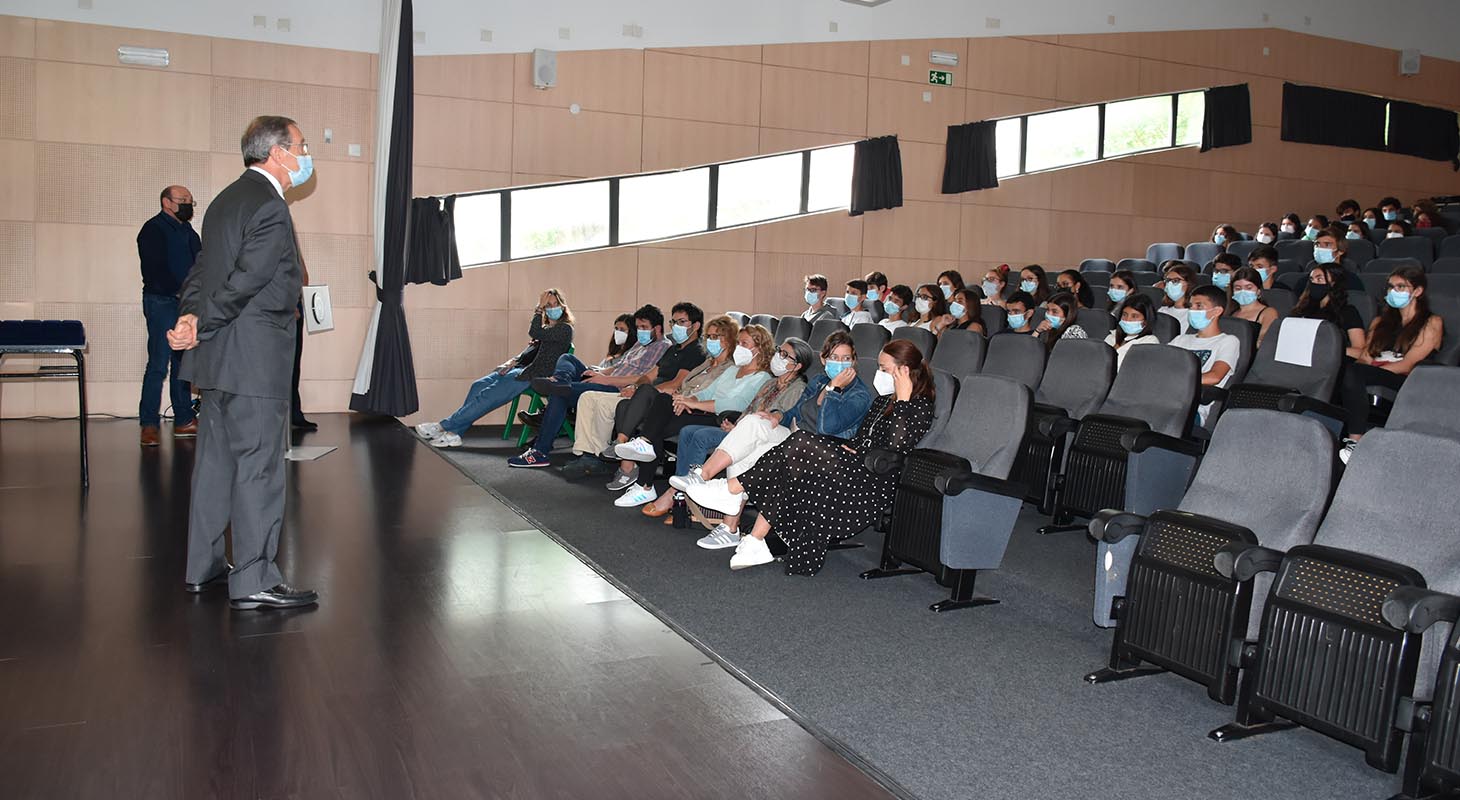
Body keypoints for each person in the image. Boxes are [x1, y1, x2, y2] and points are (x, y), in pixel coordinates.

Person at [167, 115, 317, 610]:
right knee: (258, 467)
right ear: (277, 152)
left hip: (218, 363)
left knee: (215, 466)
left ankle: (203, 568)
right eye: (301, 146)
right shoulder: (270, 207)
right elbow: (244, 283)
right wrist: (202, 321)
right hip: (253, 361)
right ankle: (254, 579)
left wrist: (190, 318)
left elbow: (203, 272)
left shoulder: (225, 201)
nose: (305, 154)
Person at [685, 340, 935, 574]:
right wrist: (852, 447)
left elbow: (896, 448)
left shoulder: (919, 404)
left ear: (903, 371)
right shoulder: (883, 401)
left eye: (883, 368)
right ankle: (754, 541)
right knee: (794, 454)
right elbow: (862, 438)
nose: (878, 374)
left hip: (874, 480)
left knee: (801, 441)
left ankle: (732, 490)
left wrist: (903, 399)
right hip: (856, 461)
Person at [673, 332, 873, 550]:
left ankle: (729, 517)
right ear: (824, 360)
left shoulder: (859, 395)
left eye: (846, 358)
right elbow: (797, 410)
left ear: (854, 361)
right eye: (834, 357)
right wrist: (778, 415)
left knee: (756, 449)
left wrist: (833, 389)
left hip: (818, 451)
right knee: (753, 421)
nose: (840, 363)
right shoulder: (818, 381)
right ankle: (705, 479)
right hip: (795, 438)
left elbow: (826, 428)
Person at [639, 336, 816, 521]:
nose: (779, 356)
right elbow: (749, 409)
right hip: (741, 428)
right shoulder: (770, 383)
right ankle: (680, 496)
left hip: (761, 437)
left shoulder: (797, 389)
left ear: (797, 366)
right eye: (780, 351)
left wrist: (739, 428)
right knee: (688, 431)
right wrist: (735, 424)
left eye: (786, 355)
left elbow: (777, 421)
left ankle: (685, 497)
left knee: (701, 436)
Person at [608, 325, 776, 508]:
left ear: (759, 348)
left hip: (719, 419)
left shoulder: (762, 378)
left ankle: (645, 484)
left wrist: (693, 404)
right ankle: (645, 469)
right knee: (663, 405)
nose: (739, 347)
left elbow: (736, 404)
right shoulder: (732, 370)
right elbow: (707, 392)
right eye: (738, 343)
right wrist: (686, 400)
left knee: (655, 425)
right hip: (699, 410)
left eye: (745, 343)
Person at [576, 315, 738, 484]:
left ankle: (630, 460)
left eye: (715, 337)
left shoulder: (730, 368)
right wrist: (679, 395)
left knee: (651, 409)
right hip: (679, 401)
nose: (710, 341)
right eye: (708, 337)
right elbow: (683, 384)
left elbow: (710, 395)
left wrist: (685, 399)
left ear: (729, 340)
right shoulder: (706, 363)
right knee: (626, 405)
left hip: (694, 409)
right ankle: (628, 467)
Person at [508, 305, 675, 468]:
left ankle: (540, 451)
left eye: (644, 327)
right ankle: (560, 381)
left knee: (560, 395)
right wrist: (598, 372)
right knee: (568, 359)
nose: (640, 332)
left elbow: (643, 378)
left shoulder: (663, 347)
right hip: (607, 379)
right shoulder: (641, 343)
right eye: (638, 327)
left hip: (617, 389)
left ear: (658, 328)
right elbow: (619, 366)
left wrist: (605, 380)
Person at [414, 289, 574, 448]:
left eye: (555, 304)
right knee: (478, 385)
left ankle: (442, 426)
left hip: (534, 376)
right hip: (520, 368)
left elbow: (534, 331)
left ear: (562, 306)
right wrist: (512, 362)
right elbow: (530, 352)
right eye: (548, 305)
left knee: (487, 396)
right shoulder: (546, 329)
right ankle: (455, 434)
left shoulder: (565, 329)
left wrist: (538, 308)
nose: (553, 308)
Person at [1338, 266, 1443, 458]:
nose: (1394, 291)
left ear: (1418, 291)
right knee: (1344, 369)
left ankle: (1355, 441)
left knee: (1353, 373)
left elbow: (1408, 364)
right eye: (1391, 287)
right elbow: (1365, 356)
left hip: (1405, 379)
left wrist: (1367, 371)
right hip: (1372, 372)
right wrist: (1361, 369)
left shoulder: (1431, 322)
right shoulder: (1380, 322)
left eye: (1401, 287)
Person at [137, 184, 201, 446]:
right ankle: (149, 424)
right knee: (158, 363)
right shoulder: (152, 229)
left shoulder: (189, 232)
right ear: (167, 202)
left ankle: (184, 418)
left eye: (190, 200)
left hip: (186, 304)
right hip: (161, 301)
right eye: (182, 199)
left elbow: (201, 265)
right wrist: (178, 291)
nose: (187, 204)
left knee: (183, 364)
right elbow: (154, 269)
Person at [1166, 285, 1241, 427]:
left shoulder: (1228, 341)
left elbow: (1215, 376)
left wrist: (1174, 379)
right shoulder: (1180, 340)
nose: (1192, 310)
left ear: (1217, 311)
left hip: (1191, 409)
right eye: (1191, 306)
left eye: (1199, 306)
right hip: (1164, 399)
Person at [1291, 264, 1367, 360]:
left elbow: (1359, 351)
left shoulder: (1347, 312)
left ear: (1334, 283)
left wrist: (1329, 350)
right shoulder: (1302, 309)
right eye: (1311, 280)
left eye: (1319, 279)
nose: (1314, 283)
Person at [1104, 292, 1160, 368]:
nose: (1127, 320)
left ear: (1146, 320)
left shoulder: (1150, 342)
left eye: (1134, 316)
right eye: (1124, 315)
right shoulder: (1111, 337)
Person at [1226, 267, 1278, 347]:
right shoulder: (1230, 313)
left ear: (1258, 290)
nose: (1243, 291)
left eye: (1249, 288)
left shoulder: (1268, 312)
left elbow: (1264, 340)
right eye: (1238, 288)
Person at [1155, 261, 1197, 328]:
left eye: (1175, 281)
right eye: (1168, 281)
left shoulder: (1194, 314)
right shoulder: (1162, 311)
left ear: (1189, 284)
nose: (1170, 284)